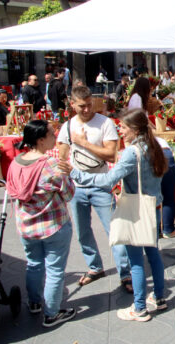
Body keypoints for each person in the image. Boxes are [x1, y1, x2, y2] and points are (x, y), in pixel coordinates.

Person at [61, 108, 168, 321]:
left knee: (136, 260)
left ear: (135, 129)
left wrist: (75, 173)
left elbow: (107, 180)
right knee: (153, 254)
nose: (121, 131)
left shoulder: (132, 152)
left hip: (136, 211)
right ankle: (158, 297)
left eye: (124, 127)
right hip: (153, 207)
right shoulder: (154, 145)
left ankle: (139, 308)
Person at [56, 86, 132, 292]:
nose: (87, 109)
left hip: (101, 184)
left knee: (113, 230)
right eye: (82, 106)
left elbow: (111, 155)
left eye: (89, 105)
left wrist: (83, 143)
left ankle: (125, 272)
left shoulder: (105, 123)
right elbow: (62, 156)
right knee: (82, 231)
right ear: (72, 104)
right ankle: (95, 266)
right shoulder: (67, 126)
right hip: (76, 187)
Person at [6, 120, 76, 328]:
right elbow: (68, 193)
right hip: (53, 225)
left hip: (26, 226)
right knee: (54, 270)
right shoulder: (50, 165)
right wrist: (68, 174)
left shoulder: (16, 163)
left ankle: (34, 302)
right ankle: (51, 313)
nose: (56, 137)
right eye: (52, 134)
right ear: (41, 140)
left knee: (34, 264)